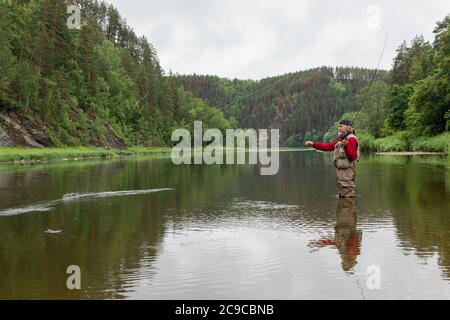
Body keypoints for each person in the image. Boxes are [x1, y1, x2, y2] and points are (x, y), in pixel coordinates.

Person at [305, 120, 359, 198]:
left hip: (347, 171)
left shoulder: (351, 139)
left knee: (348, 194)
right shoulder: (341, 139)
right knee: (344, 193)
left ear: (348, 127)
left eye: (341, 126)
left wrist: (346, 145)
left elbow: (352, 157)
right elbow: (328, 147)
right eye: (338, 126)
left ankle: (348, 209)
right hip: (341, 170)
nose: (339, 128)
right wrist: (313, 144)